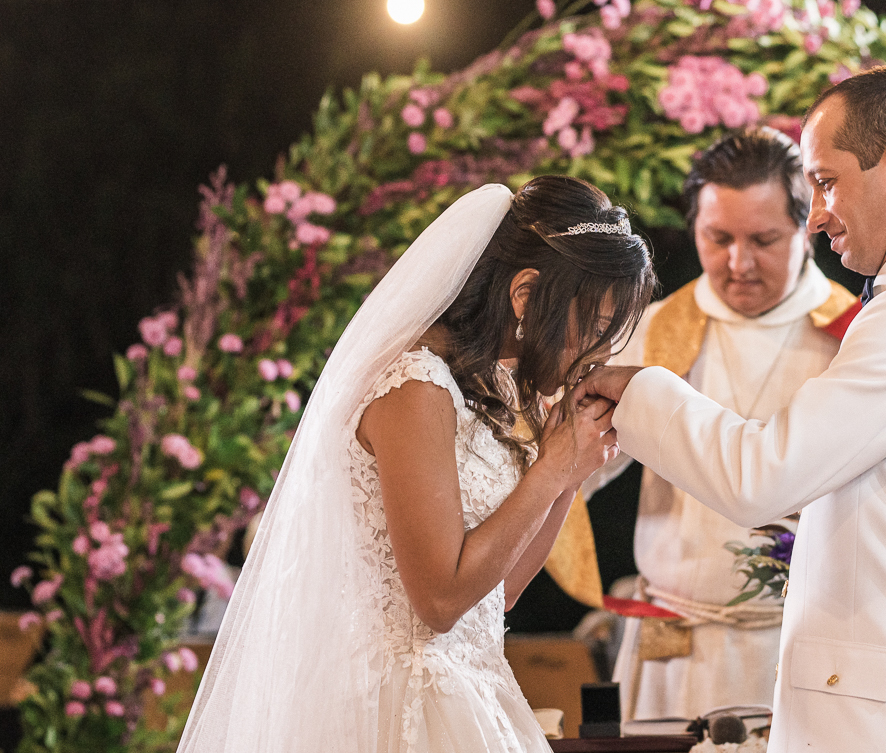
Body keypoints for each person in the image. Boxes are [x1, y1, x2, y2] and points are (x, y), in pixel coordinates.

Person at [580, 64, 886, 751]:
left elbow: (763, 476)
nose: (815, 215)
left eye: (826, 181)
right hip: (884, 699)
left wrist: (638, 387)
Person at [179, 176, 655, 753]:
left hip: (473, 686)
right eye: (597, 329)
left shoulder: (492, 386)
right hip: (398, 700)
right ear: (526, 294)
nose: (602, 354)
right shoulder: (414, 384)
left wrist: (570, 471)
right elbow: (440, 601)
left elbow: (500, 592)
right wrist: (552, 469)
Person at [583, 128, 859, 720]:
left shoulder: (854, 339)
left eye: (763, 240)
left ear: (808, 227)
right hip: (676, 643)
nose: (738, 264)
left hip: (804, 647)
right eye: (718, 239)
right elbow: (576, 469)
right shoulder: (652, 330)